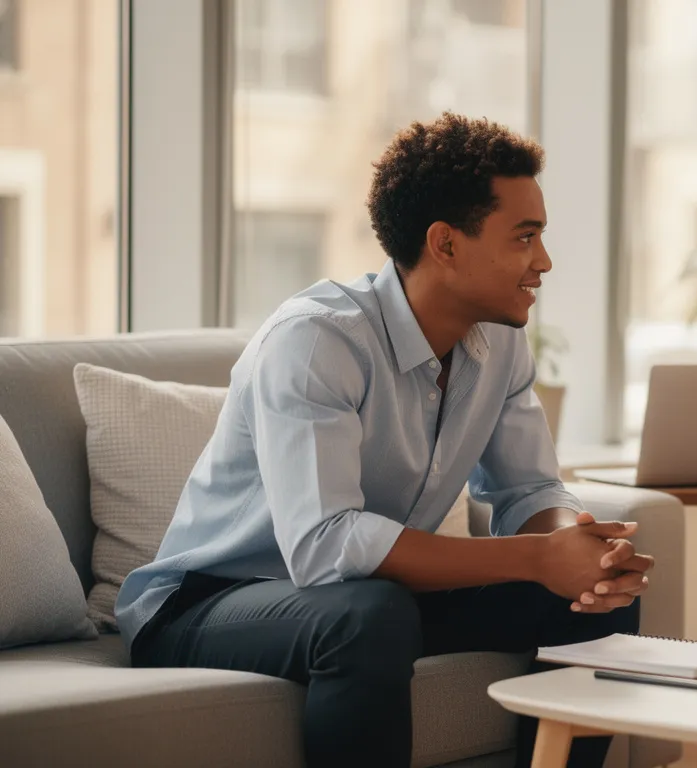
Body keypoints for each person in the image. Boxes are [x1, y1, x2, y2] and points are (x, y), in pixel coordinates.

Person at [116, 113, 654, 768]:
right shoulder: (319, 340)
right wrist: (538, 556)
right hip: (209, 604)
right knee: (367, 613)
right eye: (525, 237)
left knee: (595, 603)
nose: (543, 261)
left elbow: (528, 489)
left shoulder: (501, 343)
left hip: (375, 597)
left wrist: (574, 545)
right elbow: (325, 545)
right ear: (446, 244)